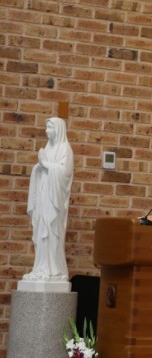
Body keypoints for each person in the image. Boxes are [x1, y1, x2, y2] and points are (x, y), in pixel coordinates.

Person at [25, 117, 74, 282]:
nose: (46, 131)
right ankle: (40, 267)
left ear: (58, 129)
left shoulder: (65, 149)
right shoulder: (48, 148)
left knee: (51, 231)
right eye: (46, 127)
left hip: (54, 202)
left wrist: (46, 165)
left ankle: (53, 270)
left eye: (50, 128)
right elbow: (41, 168)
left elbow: (65, 173)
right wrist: (39, 167)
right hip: (43, 196)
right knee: (41, 232)